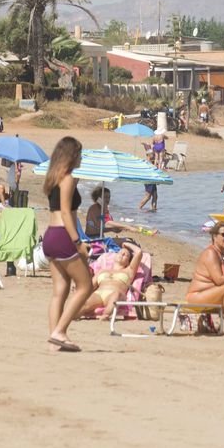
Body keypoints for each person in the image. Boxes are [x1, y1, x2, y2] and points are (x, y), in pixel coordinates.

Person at [42, 136, 94, 352]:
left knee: (60, 290)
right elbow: (66, 213)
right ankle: (60, 331)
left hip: (50, 236)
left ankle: (54, 342)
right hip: (63, 235)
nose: (81, 158)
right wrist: (78, 242)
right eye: (79, 154)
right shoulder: (68, 178)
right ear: (72, 156)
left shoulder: (53, 178)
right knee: (85, 286)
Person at [81, 240, 143, 320]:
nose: (122, 254)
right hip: (99, 294)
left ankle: (105, 315)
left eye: (126, 255)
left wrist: (126, 244)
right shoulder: (102, 271)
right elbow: (90, 287)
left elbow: (139, 252)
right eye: (120, 252)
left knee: (116, 294)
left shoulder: (129, 271)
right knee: (82, 306)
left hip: (116, 294)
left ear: (128, 262)